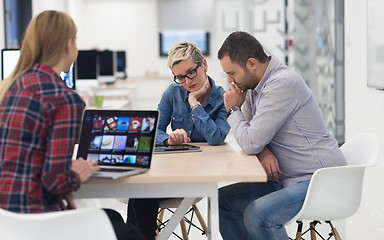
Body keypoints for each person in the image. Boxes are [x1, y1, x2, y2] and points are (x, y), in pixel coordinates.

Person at [0, 10, 143, 240]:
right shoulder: (64, 98)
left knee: (111, 217)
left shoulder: (9, 88)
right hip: (40, 221)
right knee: (133, 234)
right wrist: (75, 173)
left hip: (7, 222)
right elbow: (55, 181)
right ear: (69, 44)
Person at [217, 31, 347, 240]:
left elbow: (250, 141)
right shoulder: (252, 87)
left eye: (232, 73)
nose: (230, 80)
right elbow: (252, 134)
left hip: (320, 179)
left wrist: (233, 110)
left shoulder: (282, 83)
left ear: (251, 64)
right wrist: (263, 151)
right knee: (221, 201)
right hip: (288, 178)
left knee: (259, 214)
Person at [127, 41, 230, 239]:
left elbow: (217, 137)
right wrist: (168, 141)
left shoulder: (222, 98)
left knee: (140, 194)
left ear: (204, 65)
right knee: (140, 189)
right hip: (171, 171)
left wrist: (194, 104)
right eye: (180, 77)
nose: (187, 81)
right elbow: (152, 130)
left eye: (191, 72)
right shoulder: (172, 93)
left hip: (201, 175)